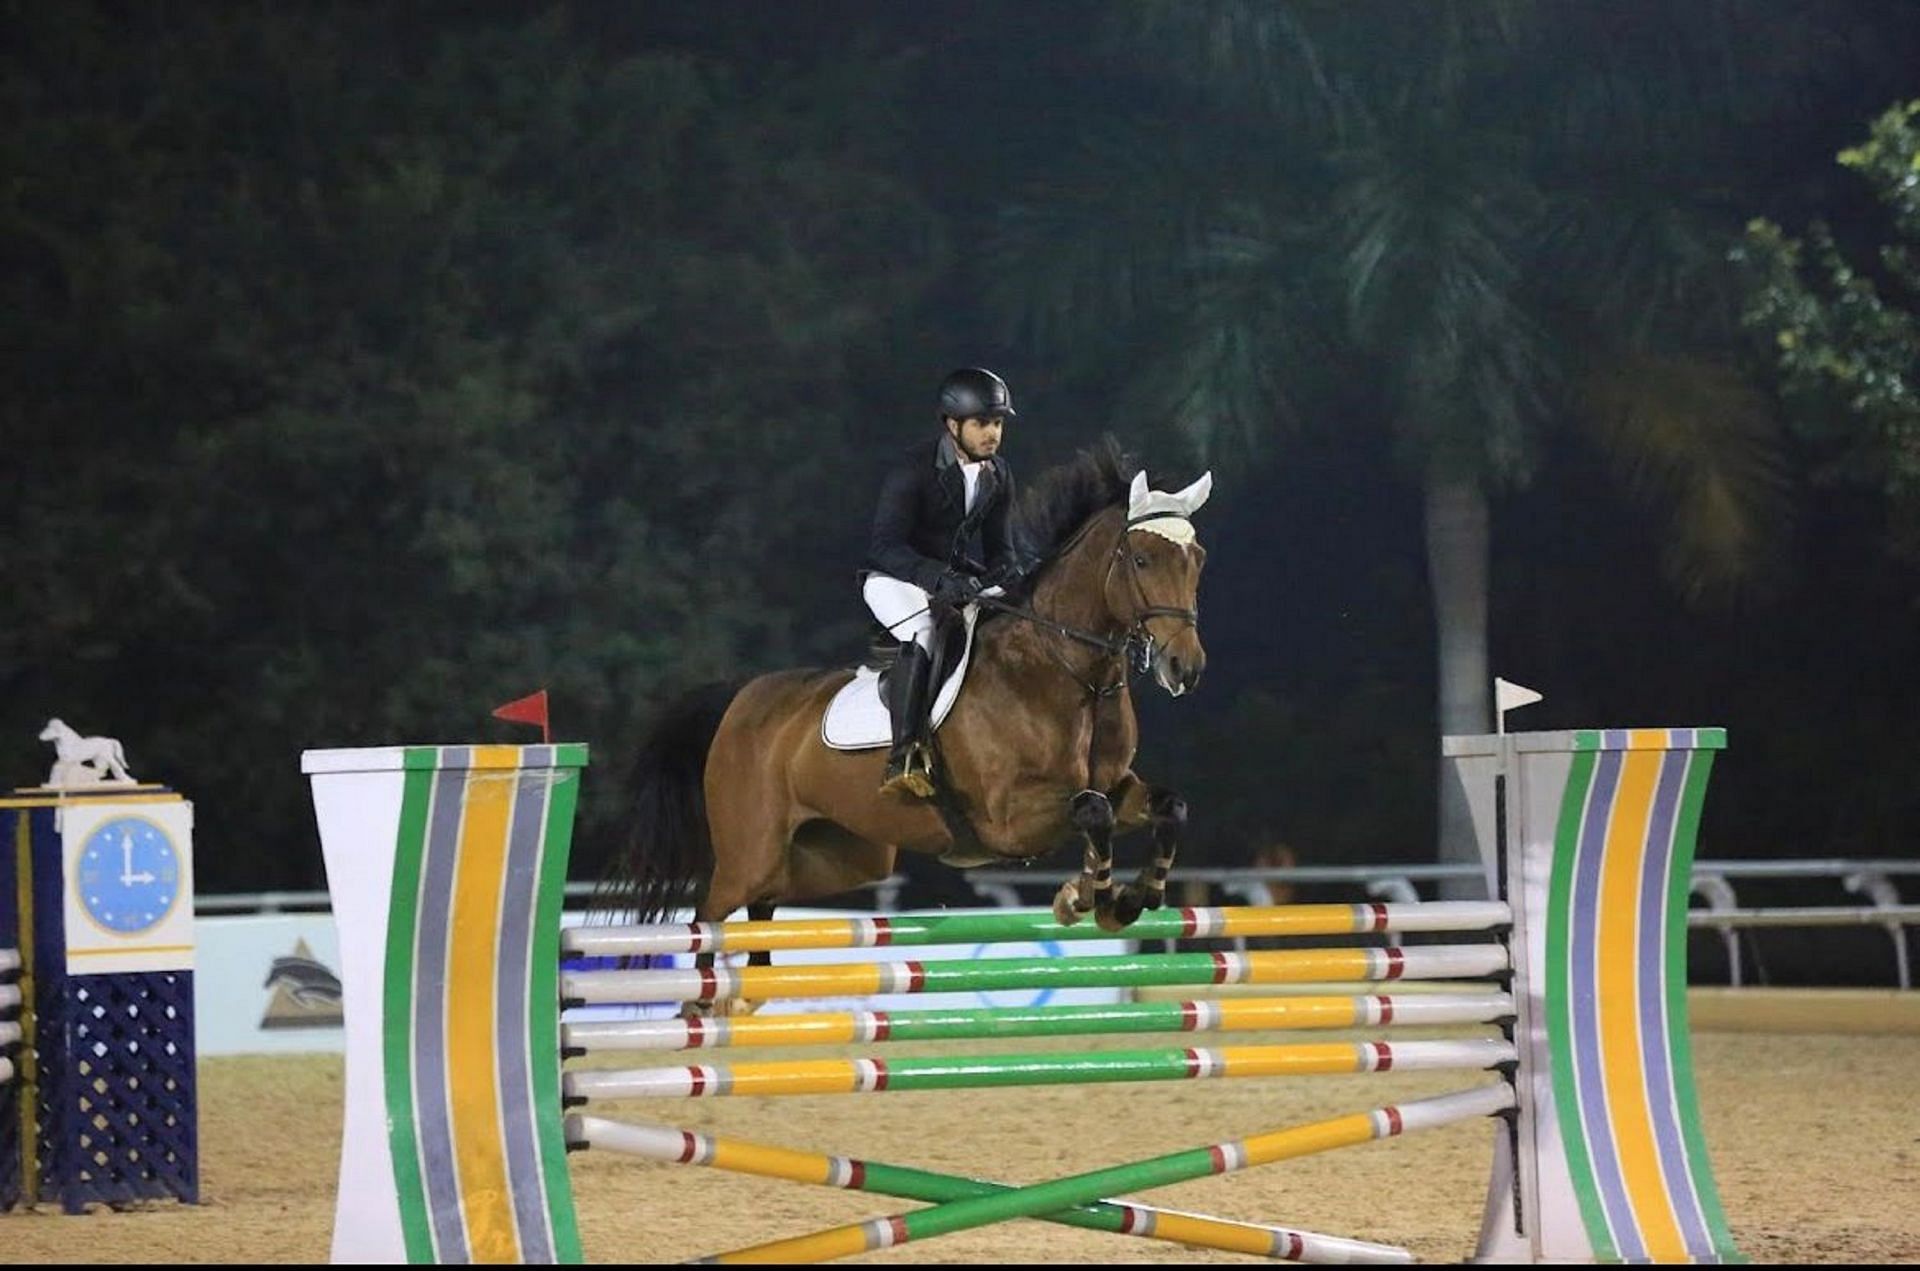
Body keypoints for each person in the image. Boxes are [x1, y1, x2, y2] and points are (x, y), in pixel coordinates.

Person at [864, 367, 1025, 797]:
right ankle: (904, 756)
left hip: (953, 581)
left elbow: (1000, 548)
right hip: (894, 578)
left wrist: (1009, 572)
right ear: (953, 425)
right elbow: (884, 546)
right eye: (982, 424)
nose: (992, 433)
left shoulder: (999, 475)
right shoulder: (913, 469)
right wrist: (938, 578)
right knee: (924, 630)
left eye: (997, 423)